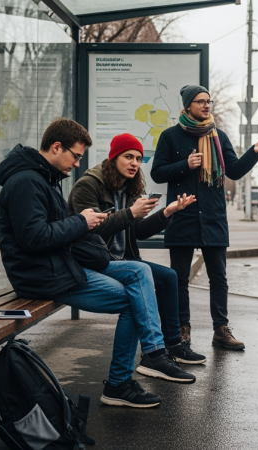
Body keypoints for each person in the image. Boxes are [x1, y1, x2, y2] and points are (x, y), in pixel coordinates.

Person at [0, 118, 194, 410]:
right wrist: (82, 221)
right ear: (55, 147)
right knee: (135, 291)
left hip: (60, 266)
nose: (77, 164)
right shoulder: (27, 182)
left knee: (140, 278)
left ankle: (145, 362)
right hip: (44, 276)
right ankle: (130, 374)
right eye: (75, 156)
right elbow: (33, 239)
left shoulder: (42, 179)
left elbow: (56, 231)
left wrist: (162, 213)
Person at [151, 85, 258, 350]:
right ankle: (181, 332)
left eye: (208, 101)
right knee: (179, 278)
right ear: (187, 107)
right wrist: (185, 165)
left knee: (218, 277)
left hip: (213, 217)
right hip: (182, 216)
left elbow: (233, 171)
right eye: (200, 101)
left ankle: (221, 330)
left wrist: (255, 152)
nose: (206, 105)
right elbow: (157, 173)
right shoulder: (170, 136)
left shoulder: (218, 136)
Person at [67, 133, 207, 368]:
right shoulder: (88, 186)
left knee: (169, 277)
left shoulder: (128, 188)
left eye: (139, 159)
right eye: (128, 156)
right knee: (141, 272)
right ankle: (153, 354)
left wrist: (166, 214)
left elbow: (138, 232)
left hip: (122, 260)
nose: (134, 163)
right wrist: (131, 213)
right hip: (95, 261)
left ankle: (174, 344)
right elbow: (91, 230)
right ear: (113, 158)